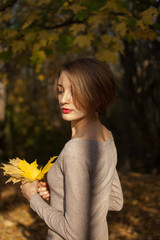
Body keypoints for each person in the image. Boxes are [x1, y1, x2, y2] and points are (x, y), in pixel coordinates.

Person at [20, 58, 123, 240]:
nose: (64, 99)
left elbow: (74, 233)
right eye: (61, 90)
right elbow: (115, 201)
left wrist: (32, 198)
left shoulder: (75, 150)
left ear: (97, 97)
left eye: (75, 92)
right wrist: (62, 193)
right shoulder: (106, 137)